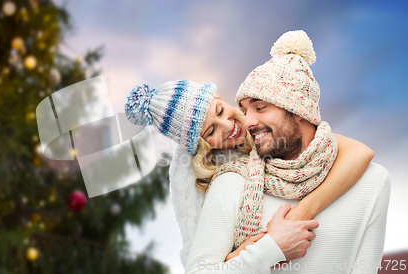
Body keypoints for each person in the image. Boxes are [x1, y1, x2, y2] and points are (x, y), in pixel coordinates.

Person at [183, 30, 389, 273]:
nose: (247, 122)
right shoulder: (231, 183)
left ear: (298, 109)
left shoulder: (373, 181)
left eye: (260, 107)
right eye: (245, 110)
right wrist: (269, 249)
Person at [125, 82, 373, 273]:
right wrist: (260, 248)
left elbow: (361, 153)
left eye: (220, 111)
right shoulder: (217, 180)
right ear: (200, 144)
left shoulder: (268, 125)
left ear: (221, 99)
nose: (228, 126)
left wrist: (300, 215)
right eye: (211, 130)